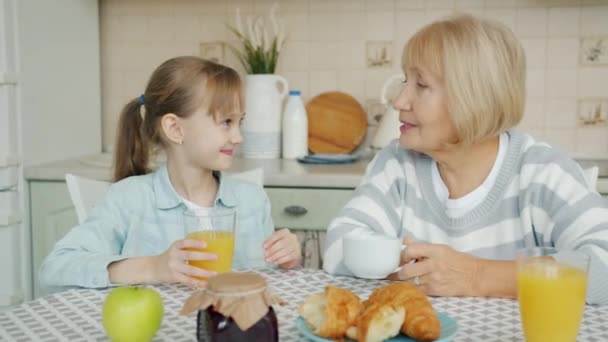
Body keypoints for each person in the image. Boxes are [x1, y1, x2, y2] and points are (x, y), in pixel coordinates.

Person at [323, 14, 608, 305]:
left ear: (473, 98)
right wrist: (427, 273)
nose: (399, 102)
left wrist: (475, 276)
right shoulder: (397, 163)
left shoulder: (542, 172)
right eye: (406, 81)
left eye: (420, 85)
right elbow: (338, 247)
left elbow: (604, 266)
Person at [40, 56, 301, 291]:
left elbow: (267, 285)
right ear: (175, 129)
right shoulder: (129, 199)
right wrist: (154, 267)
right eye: (226, 122)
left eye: (239, 122)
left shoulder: (252, 201)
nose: (238, 137)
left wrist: (289, 260)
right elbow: (56, 267)